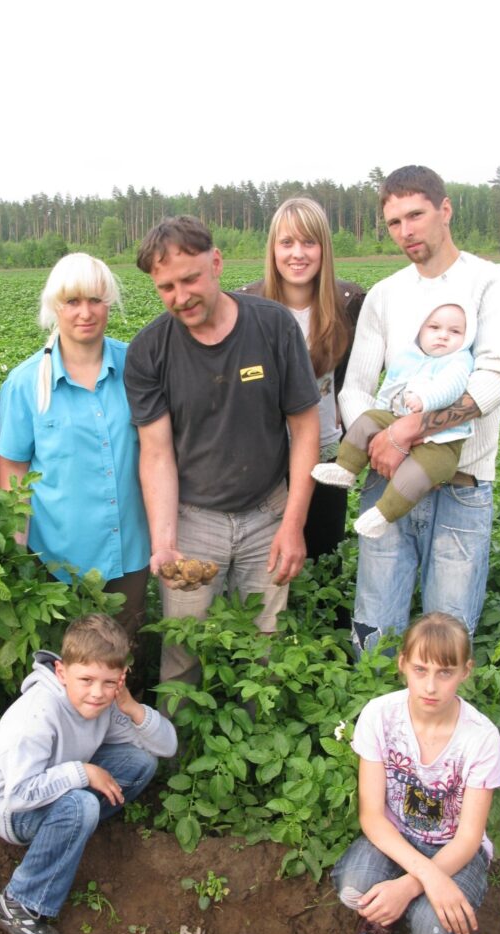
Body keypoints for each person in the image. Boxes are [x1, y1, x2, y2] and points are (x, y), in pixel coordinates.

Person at [124, 216, 320, 686]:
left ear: (216, 263)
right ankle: (177, 755)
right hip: (194, 521)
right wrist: (165, 541)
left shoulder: (272, 326)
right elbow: (156, 454)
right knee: (183, 652)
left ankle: (257, 747)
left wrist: (293, 526)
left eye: (189, 278)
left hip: (266, 514)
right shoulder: (149, 350)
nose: (181, 296)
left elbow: (306, 429)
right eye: (166, 287)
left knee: (264, 652)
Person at [339, 166, 500, 654]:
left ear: (445, 210)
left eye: (416, 215)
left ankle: (442, 728)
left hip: (462, 486)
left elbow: (496, 378)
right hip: (386, 479)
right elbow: (355, 387)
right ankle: (370, 720)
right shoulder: (385, 295)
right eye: (395, 222)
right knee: (373, 627)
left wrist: (412, 430)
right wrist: (382, 439)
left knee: (449, 634)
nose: (406, 231)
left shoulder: (491, 282)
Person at [0, 613, 177, 934]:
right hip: (13, 811)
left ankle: (68, 832)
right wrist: (83, 772)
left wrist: (129, 706)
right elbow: (19, 794)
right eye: (86, 680)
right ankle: (17, 902)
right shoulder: (37, 714)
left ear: (121, 678)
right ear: (61, 672)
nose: (97, 693)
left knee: (140, 762)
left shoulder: (106, 703)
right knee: (80, 803)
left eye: (109, 683)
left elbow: (167, 747)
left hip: (56, 792)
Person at [331, 612, 500, 934]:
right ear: (402, 664)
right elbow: (372, 816)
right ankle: (399, 905)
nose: (430, 686)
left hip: (454, 848)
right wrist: (426, 879)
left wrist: (409, 885)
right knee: (352, 888)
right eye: (420, 669)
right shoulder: (379, 715)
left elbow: (469, 837)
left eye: (445, 673)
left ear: (465, 671)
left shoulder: (481, 738)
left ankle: (408, 906)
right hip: (395, 837)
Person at [0, 254, 150, 645]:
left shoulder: (136, 366)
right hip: (59, 562)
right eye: (72, 302)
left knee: (123, 658)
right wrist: (18, 558)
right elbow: (13, 469)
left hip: (128, 554)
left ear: (109, 304)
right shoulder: (26, 382)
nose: (85, 313)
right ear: (55, 307)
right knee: (69, 668)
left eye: (95, 300)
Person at [240, 197, 365, 561]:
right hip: (267, 460)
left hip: (325, 453)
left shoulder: (347, 302)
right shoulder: (249, 305)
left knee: (324, 557)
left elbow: (351, 374)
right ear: (273, 249)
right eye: (287, 243)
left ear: (324, 249)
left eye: (309, 242)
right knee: (267, 565)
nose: (298, 254)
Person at [315, 300, 475, 539]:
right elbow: (388, 388)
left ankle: (382, 514)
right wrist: (381, 431)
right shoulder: (409, 357)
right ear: (419, 330)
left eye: (455, 332)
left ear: (467, 337)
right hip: (396, 419)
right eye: (434, 328)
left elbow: (451, 386)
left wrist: (425, 399)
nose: (443, 336)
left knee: (417, 474)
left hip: (440, 442)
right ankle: (345, 468)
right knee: (367, 421)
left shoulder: (458, 361)